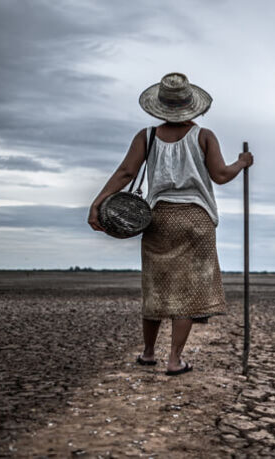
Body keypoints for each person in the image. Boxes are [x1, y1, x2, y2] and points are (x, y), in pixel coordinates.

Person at [88, 72, 253, 376]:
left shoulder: (147, 136)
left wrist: (99, 201)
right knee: (188, 292)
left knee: (156, 286)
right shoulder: (203, 136)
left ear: (160, 106)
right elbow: (220, 175)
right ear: (192, 106)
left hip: (158, 218)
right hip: (196, 219)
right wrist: (241, 164)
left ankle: (149, 353)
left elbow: (126, 172)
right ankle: (174, 360)